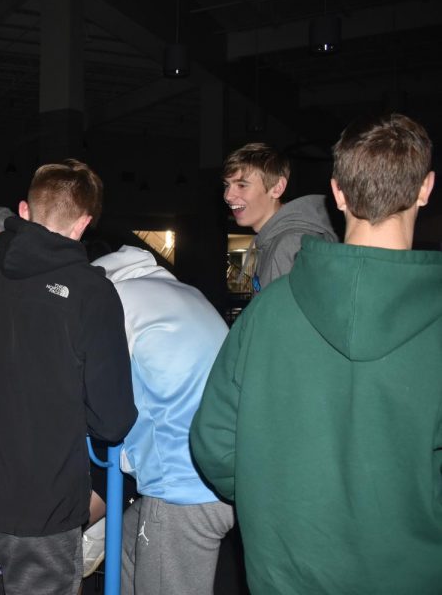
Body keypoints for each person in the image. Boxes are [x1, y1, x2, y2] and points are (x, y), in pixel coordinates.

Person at [191, 113, 442, 593]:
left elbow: (214, 440)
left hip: (285, 571)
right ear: (426, 188)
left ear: (338, 193)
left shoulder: (266, 312)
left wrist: (269, 500)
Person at [0, 159, 137, 594]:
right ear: (83, 224)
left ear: (23, 211)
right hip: (43, 507)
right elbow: (112, 419)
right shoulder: (91, 292)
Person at [90, 245, 234, 594]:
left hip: (181, 487)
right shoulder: (183, 293)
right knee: (125, 543)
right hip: (226, 470)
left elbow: (96, 395)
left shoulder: (113, 304)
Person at [222, 143, 337, 293]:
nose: (228, 196)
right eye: (227, 185)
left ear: (277, 188)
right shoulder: (273, 240)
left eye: (242, 185)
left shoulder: (290, 244)